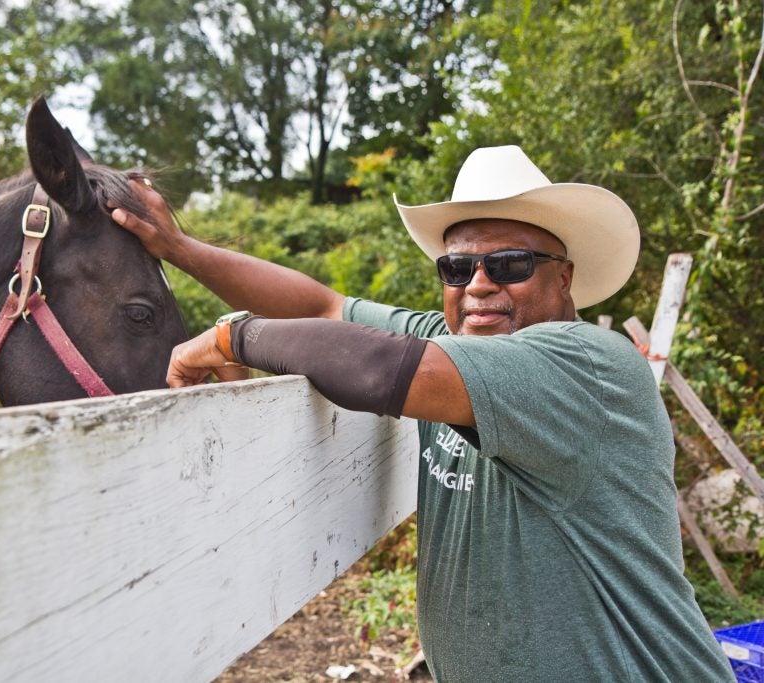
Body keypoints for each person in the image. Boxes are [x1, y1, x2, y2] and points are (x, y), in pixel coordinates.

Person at [111, 146, 735, 682]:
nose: (480, 284)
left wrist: (231, 338)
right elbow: (325, 308)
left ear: (565, 277)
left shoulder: (585, 363)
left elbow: (378, 369)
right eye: (457, 267)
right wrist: (181, 249)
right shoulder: (454, 343)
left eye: (511, 264)